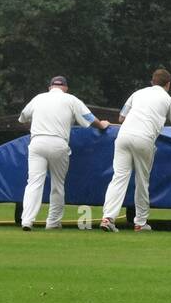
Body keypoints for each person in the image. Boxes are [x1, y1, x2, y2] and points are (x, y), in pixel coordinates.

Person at [100, 69, 171, 233]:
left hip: (123, 136)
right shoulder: (169, 101)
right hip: (144, 139)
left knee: (119, 178)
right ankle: (140, 223)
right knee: (142, 181)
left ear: (152, 82)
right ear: (168, 84)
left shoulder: (137, 93)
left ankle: (108, 217)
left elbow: (121, 118)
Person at [17, 76, 111, 231]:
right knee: (57, 184)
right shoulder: (71, 100)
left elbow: (22, 117)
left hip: (37, 142)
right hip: (58, 143)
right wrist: (102, 125)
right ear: (65, 88)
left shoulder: (38, 98)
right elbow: (89, 118)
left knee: (34, 183)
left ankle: (27, 220)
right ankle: (53, 222)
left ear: (50, 87)